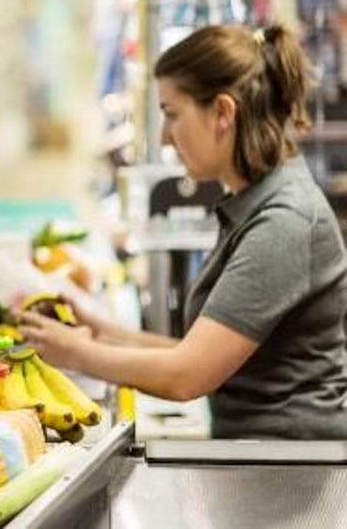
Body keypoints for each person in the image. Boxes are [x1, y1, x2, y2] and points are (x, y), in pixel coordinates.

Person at [20, 24, 347, 440]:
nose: (165, 136)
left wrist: (77, 354)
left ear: (223, 113)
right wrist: (105, 333)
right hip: (267, 456)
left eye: (173, 114)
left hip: (291, 468)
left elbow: (187, 376)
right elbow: (197, 354)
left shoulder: (284, 221)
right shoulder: (259, 202)